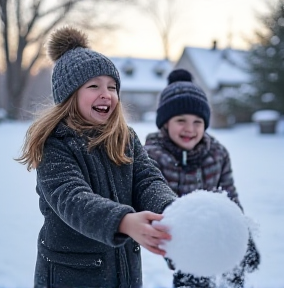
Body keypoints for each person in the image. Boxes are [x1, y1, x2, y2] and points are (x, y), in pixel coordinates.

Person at [16, 26, 177, 288]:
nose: (107, 94)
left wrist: (170, 210)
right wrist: (123, 221)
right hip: (71, 276)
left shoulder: (125, 137)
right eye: (94, 86)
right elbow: (72, 198)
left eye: (112, 87)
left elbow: (147, 181)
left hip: (124, 274)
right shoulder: (54, 143)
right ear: (70, 95)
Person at [144, 69, 260, 288]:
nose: (190, 128)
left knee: (233, 274)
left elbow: (230, 196)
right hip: (180, 239)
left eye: (198, 121)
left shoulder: (217, 153)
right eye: (181, 120)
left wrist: (244, 235)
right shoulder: (150, 155)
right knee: (193, 279)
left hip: (215, 231)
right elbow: (145, 199)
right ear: (165, 123)